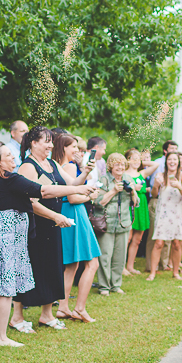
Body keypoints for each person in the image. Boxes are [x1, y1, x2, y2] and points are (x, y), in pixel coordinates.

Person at [0, 143, 94, 346]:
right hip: (5, 239)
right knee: (6, 289)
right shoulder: (10, 178)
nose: (14, 158)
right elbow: (44, 191)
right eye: (8, 156)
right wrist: (77, 188)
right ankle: (1, 337)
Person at [11, 126, 94, 330]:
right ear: (33, 143)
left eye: (51, 141)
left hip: (54, 224)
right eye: (46, 141)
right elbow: (30, 201)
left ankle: (47, 315)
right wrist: (55, 215)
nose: (50, 145)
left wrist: (85, 172)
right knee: (30, 269)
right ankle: (17, 317)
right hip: (36, 225)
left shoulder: (51, 163)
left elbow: (72, 183)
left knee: (52, 268)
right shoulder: (27, 167)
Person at [53, 134, 101, 322]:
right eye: (73, 146)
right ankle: (79, 308)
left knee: (72, 265)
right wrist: (91, 196)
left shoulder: (59, 166)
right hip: (74, 212)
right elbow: (72, 197)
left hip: (67, 212)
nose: (77, 150)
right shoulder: (70, 166)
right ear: (63, 148)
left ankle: (63, 307)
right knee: (92, 262)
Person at [94, 153, 140, 293]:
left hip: (123, 223)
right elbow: (98, 202)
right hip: (106, 223)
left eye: (122, 164)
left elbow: (136, 203)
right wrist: (114, 190)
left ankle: (116, 285)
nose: (120, 167)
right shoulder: (103, 179)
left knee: (120, 256)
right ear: (110, 166)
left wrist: (132, 192)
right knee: (105, 256)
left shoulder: (128, 178)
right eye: (116, 164)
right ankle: (104, 286)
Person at [147, 151, 182, 281]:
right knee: (159, 243)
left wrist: (179, 186)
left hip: (178, 212)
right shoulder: (160, 175)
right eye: (169, 160)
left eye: (174, 159)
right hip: (164, 212)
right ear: (166, 162)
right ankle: (152, 273)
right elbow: (154, 194)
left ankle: (175, 272)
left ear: (178, 162)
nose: (172, 162)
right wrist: (155, 185)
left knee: (177, 244)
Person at [145, 140, 180, 271]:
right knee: (155, 236)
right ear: (165, 151)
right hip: (158, 201)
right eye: (172, 149)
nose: (174, 151)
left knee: (168, 238)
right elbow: (154, 191)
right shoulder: (158, 164)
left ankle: (163, 264)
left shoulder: (179, 171)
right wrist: (155, 185)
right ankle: (150, 266)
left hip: (173, 204)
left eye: (176, 149)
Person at [123, 148, 158, 274]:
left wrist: (142, 161)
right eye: (134, 158)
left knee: (137, 239)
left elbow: (156, 164)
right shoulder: (124, 174)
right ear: (128, 160)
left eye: (139, 159)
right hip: (130, 205)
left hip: (142, 205)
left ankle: (130, 266)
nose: (137, 161)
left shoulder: (142, 173)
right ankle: (121, 266)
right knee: (127, 238)